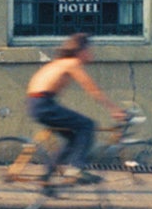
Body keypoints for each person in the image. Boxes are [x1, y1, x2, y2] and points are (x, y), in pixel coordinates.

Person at [24, 33, 125, 185]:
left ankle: (47, 178)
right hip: (43, 104)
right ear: (81, 51)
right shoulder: (71, 63)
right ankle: (76, 169)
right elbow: (91, 89)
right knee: (87, 125)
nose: (91, 53)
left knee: (72, 139)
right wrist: (114, 109)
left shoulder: (60, 62)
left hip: (38, 104)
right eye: (89, 50)